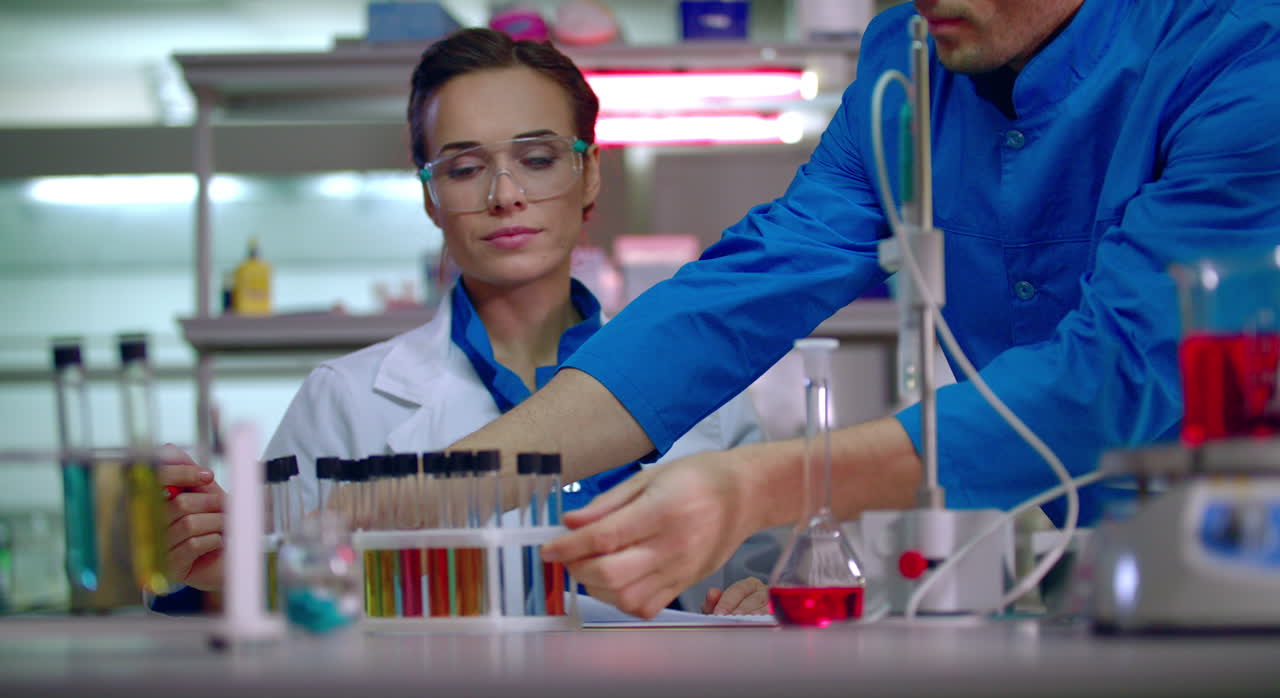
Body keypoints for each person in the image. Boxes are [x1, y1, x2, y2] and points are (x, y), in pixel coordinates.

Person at [443, 0, 1280, 618]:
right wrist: (445, 487)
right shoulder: (911, 57)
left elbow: (1124, 374)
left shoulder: (1238, 46)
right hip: (1045, 580)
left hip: (1234, 570)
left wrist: (761, 486)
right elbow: (754, 283)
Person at [158, 27, 769, 615]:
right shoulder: (344, 403)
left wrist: (767, 598)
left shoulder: (705, 390)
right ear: (430, 196)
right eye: (465, 168)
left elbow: (781, 572)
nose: (505, 195)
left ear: (589, 173)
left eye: (536, 158)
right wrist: (202, 563)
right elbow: (255, 600)